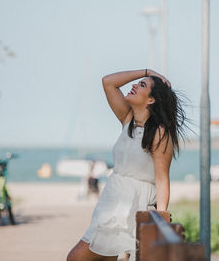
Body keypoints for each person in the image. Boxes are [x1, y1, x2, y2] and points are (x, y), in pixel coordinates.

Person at [66, 69, 187, 261]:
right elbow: (108, 82)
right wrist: (146, 71)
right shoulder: (127, 119)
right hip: (112, 201)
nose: (134, 86)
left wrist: (162, 216)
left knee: (77, 258)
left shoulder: (159, 133)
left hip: (137, 204)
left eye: (142, 85)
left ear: (151, 100)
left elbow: (162, 177)